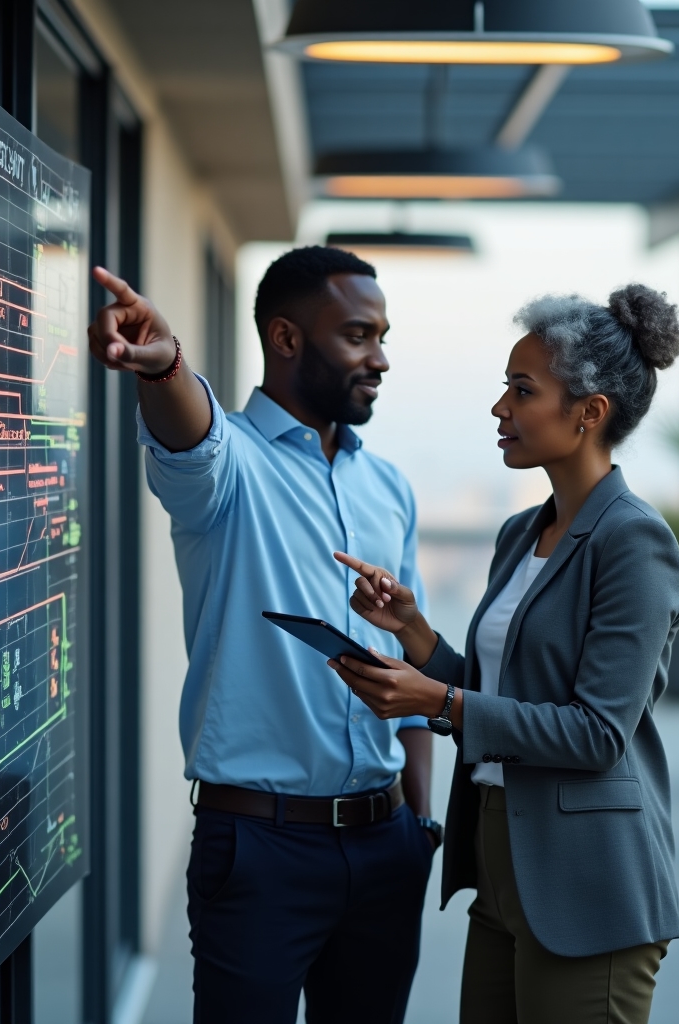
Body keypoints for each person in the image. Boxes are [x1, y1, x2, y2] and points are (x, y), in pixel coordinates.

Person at [86, 247, 443, 1024]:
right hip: (259, 850)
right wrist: (164, 363)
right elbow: (190, 430)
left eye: (383, 336)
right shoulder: (230, 469)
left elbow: (410, 663)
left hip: (387, 847)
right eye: (357, 335)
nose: (380, 358)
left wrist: (418, 818)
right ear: (286, 339)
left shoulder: (388, 488)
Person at [330, 284, 679, 1024]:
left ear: (590, 413)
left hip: (586, 881)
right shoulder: (520, 534)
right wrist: (415, 635)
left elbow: (594, 733)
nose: (500, 409)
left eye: (522, 391)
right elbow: (505, 691)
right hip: (502, 863)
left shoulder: (634, 543)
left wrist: (439, 703)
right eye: (504, 387)